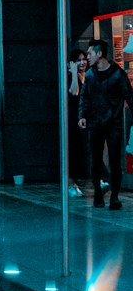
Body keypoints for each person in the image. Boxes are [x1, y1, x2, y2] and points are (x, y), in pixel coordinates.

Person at [78, 39, 133, 210]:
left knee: (115, 162)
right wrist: (82, 115)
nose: (87, 57)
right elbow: (84, 97)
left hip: (114, 124)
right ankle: (98, 193)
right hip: (95, 123)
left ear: (99, 53)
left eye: (90, 53)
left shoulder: (118, 74)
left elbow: (129, 96)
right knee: (95, 160)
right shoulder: (90, 75)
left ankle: (114, 197)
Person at [67, 48, 89, 195]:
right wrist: (74, 73)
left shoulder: (87, 75)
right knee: (74, 151)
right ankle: (71, 184)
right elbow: (74, 92)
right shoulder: (71, 76)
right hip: (73, 119)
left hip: (85, 119)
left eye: (84, 59)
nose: (82, 62)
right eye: (79, 60)